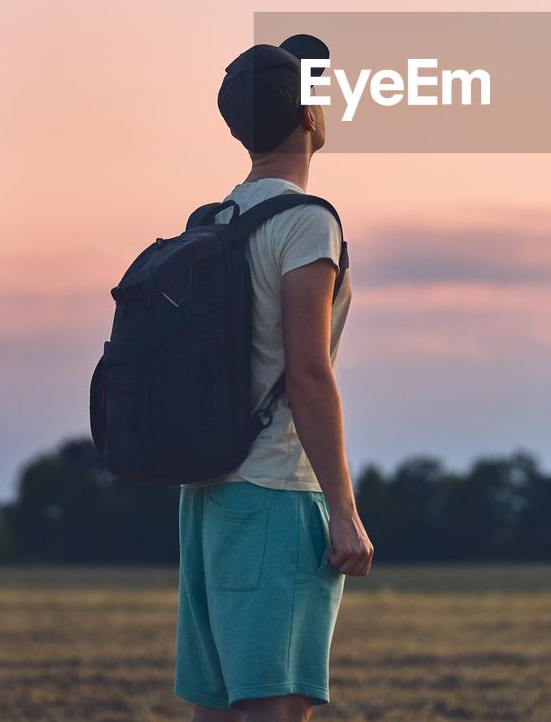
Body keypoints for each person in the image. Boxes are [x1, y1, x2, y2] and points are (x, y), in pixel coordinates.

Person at [174, 39, 373, 721]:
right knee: (275, 708)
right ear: (310, 119)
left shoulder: (215, 221)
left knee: (220, 705)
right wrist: (342, 512)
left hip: (206, 496)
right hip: (277, 496)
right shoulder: (304, 223)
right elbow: (308, 372)